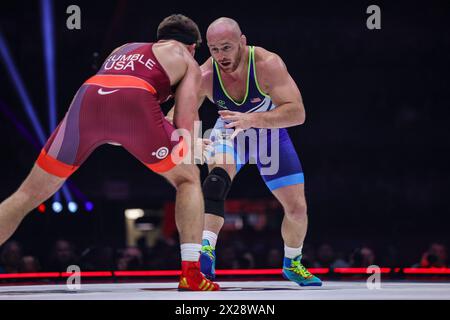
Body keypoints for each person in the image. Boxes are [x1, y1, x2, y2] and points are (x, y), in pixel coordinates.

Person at [0, 14, 219, 291]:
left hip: (87, 99)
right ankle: (191, 273)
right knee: (188, 178)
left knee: (27, 194)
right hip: (134, 103)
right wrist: (190, 144)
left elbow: (112, 105)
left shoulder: (124, 49)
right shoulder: (186, 59)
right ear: (192, 46)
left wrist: (121, 131)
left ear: (159, 38)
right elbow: (185, 119)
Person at [195, 17, 321, 286]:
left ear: (242, 42)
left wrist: (253, 120)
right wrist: (188, 138)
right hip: (230, 132)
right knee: (215, 182)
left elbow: (298, 113)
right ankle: (205, 249)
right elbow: (178, 113)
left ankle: (293, 263)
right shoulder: (204, 74)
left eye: (226, 47)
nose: (220, 56)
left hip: (269, 135)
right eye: (214, 49)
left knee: (297, 208)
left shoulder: (267, 64)